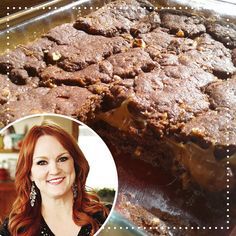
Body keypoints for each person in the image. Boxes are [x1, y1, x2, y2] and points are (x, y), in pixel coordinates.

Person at [0, 121, 109, 236]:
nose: (55, 170)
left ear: (75, 165)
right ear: (29, 173)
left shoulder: (107, 217)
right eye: (42, 162)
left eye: (62, 159)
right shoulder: (13, 229)